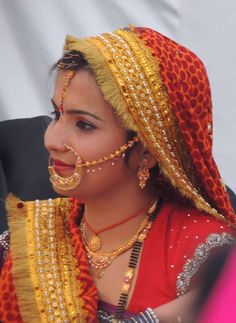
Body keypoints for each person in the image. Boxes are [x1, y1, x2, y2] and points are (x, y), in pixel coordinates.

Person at [0, 26, 235, 322]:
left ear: (148, 151)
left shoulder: (205, 254)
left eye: (84, 125)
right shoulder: (30, 241)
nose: (51, 140)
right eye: (57, 116)